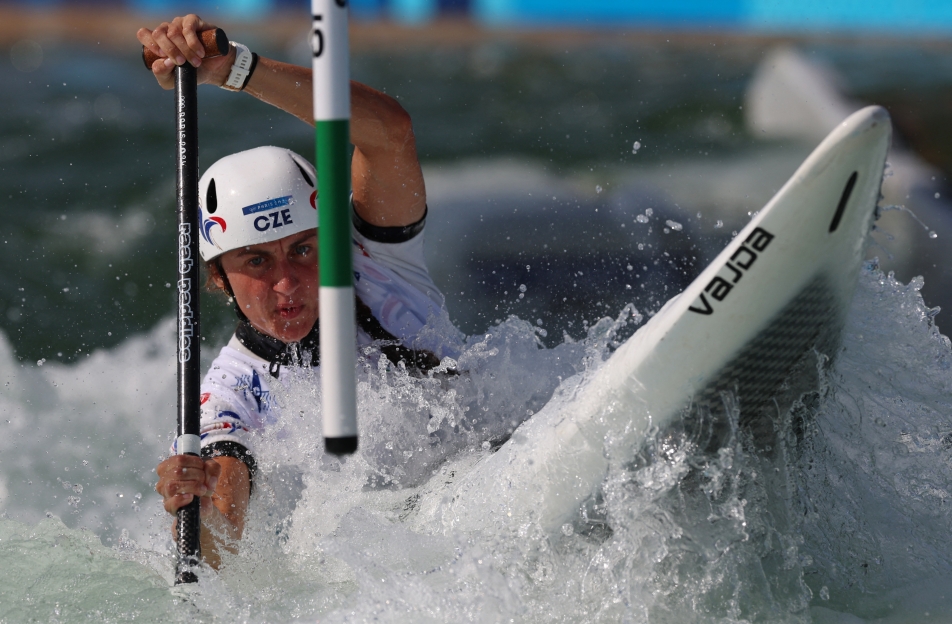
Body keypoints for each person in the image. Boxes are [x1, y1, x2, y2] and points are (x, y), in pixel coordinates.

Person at [141, 15, 462, 568]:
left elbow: (389, 133)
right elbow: (222, 527)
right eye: (257, 261)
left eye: (305, 250)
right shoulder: (226, 393)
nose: (286, 282)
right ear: (218, 278)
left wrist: (237, 69)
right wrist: (192, 508)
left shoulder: (377, 261)